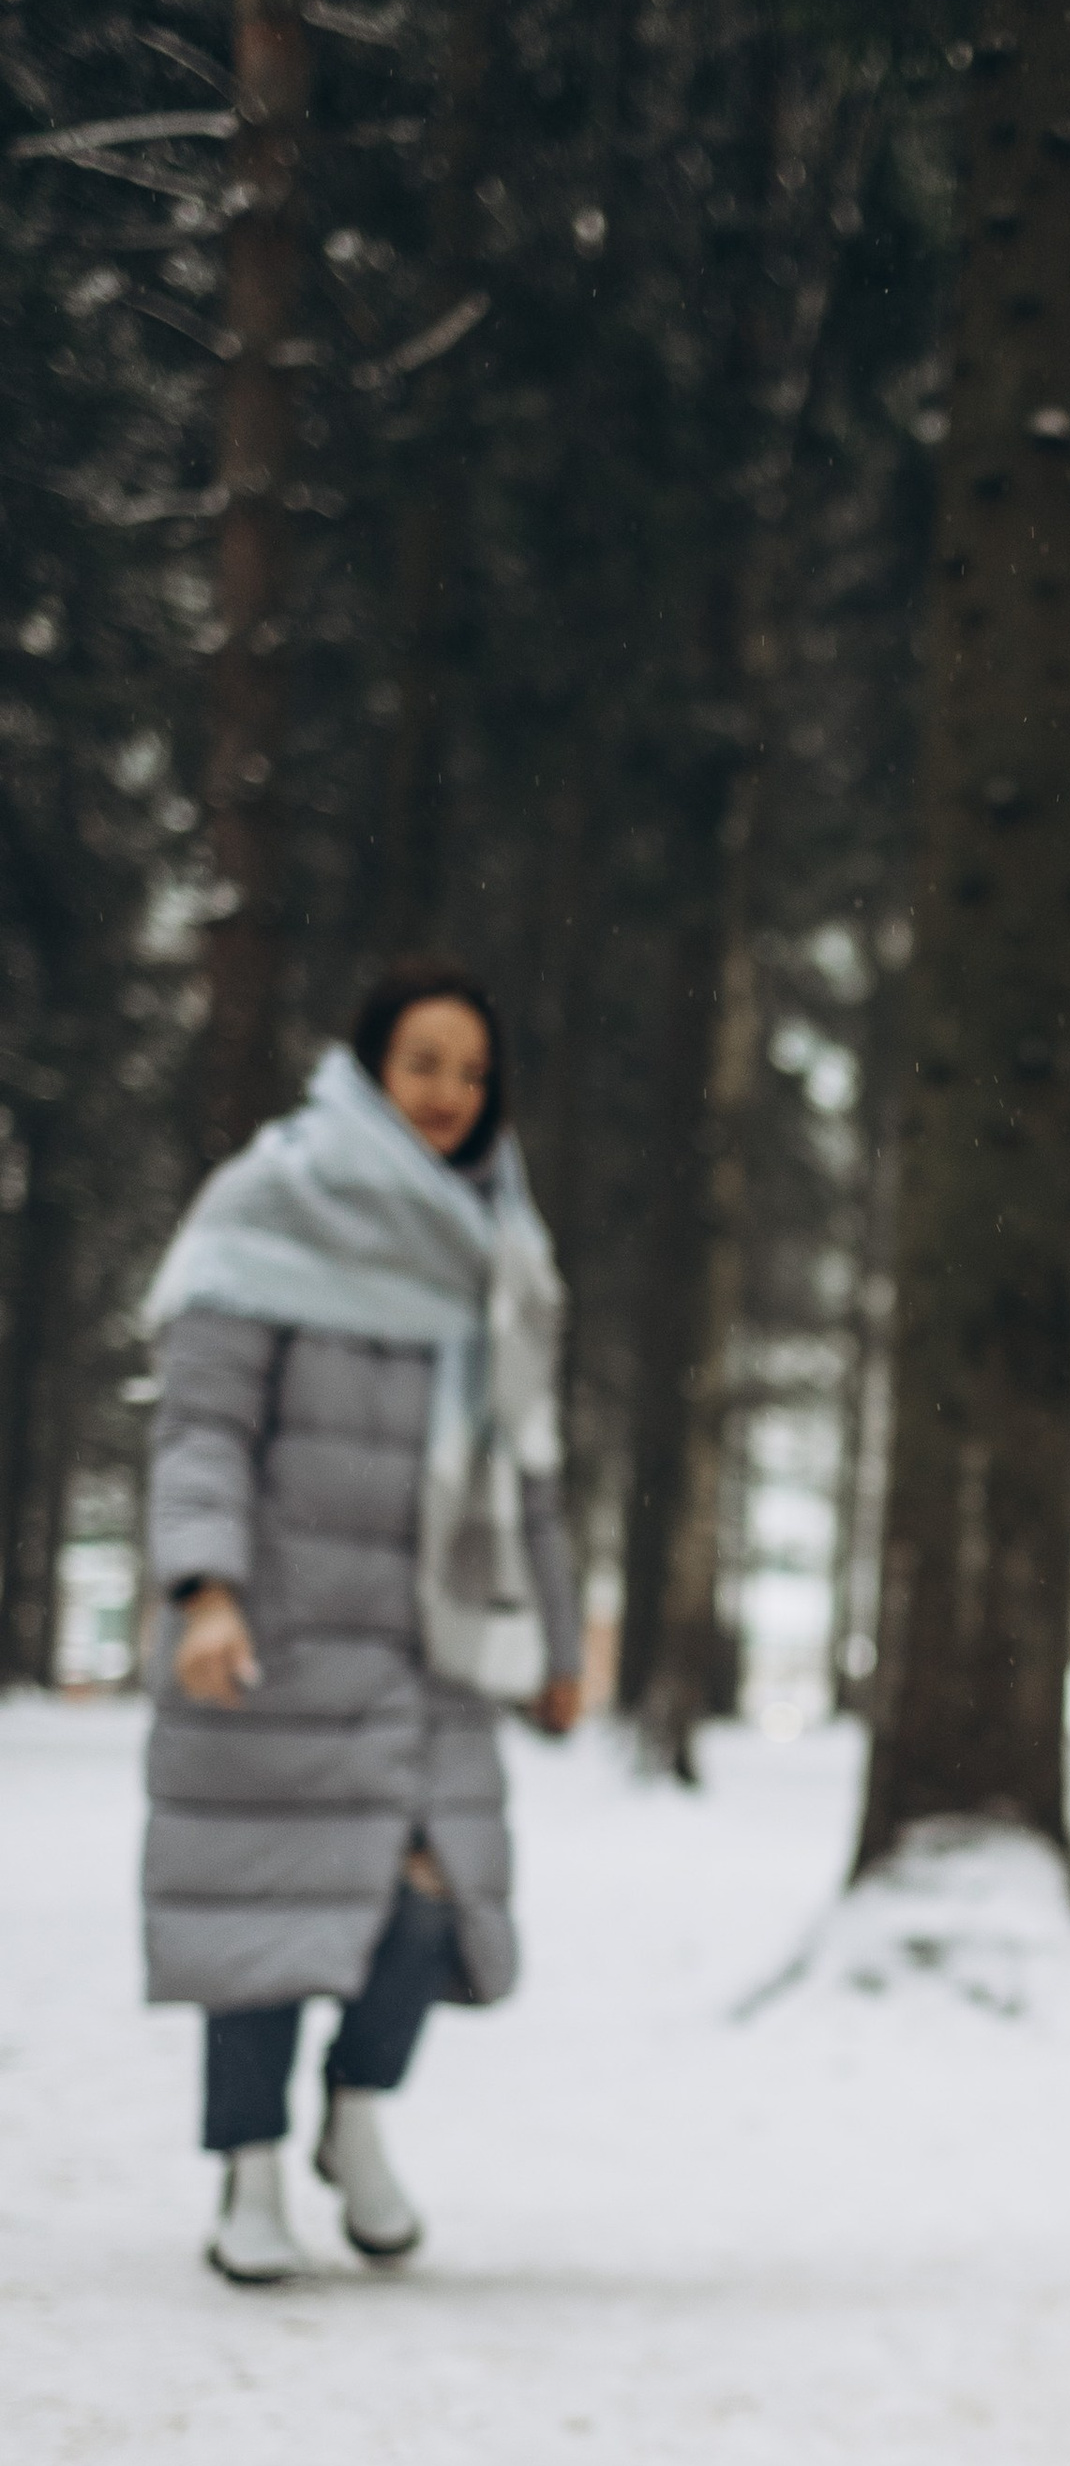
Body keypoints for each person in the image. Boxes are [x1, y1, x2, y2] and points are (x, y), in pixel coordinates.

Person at [142, 967, 581, 2282]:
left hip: (434, 1643)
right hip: (276, 1635)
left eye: (471, 1070)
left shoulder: (504, 1242)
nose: (449, 1092)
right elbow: (203, 1426)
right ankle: (249, 2171)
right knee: (264, 1912)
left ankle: (353, 2117)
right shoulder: (274, 1200)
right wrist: (203, 1591)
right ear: (369, 1070)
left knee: (437, 1905)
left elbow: (530, 1464)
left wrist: (557, 1640)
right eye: (423, 1062)